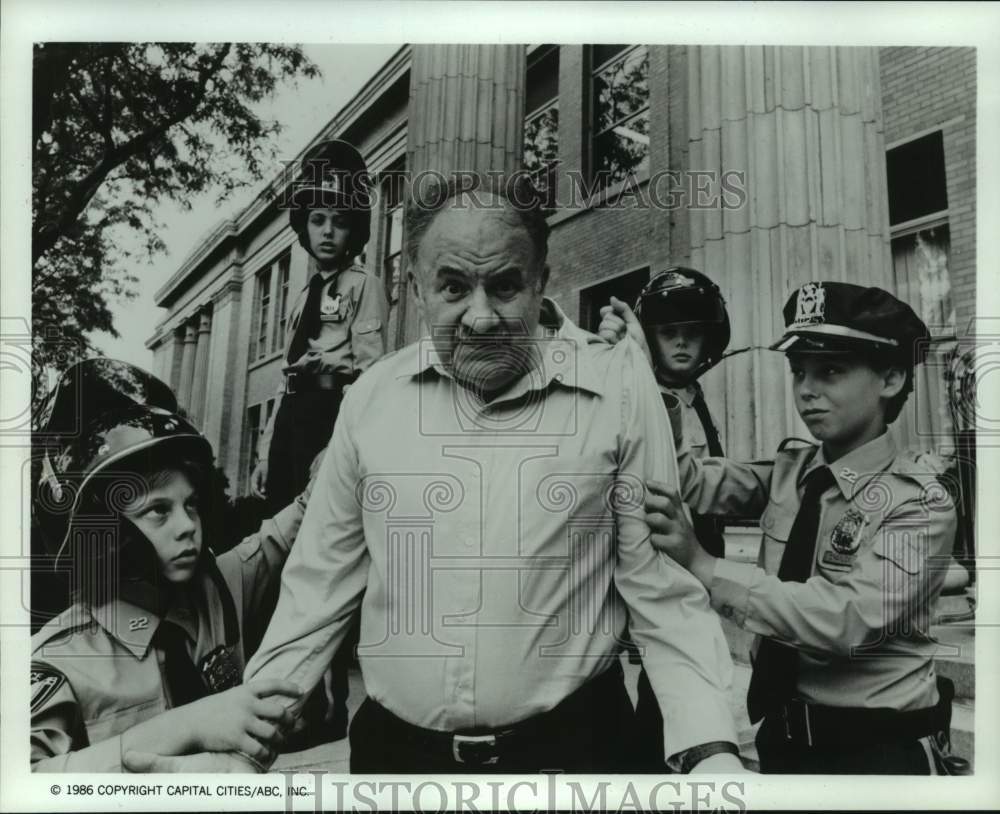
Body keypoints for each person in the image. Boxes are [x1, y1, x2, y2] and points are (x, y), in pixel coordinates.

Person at [131, 172, 744, 774]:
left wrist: (712, 755)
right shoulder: (371, 401)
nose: (480, 317)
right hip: (397, 764)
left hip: (574, 757)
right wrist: (246, 741)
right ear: (417, 289)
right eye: (453, 288)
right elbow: (316, 592)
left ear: (541, 283)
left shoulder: (619, 386)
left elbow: (663, 596)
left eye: (505, 287)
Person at [643, 282, 962, 774]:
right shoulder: (795, 471)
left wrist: (705, 567)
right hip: (784, 738)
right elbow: (689, 481)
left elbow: (846, 619)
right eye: (798, 372)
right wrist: (659, 382)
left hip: (874, 753)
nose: (807, 390)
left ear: (892, 378)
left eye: (830, 371)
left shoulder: (919, 499)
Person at [30, 359, 305, 772]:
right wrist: (185, 726)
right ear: (100, 532)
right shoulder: (61, 658)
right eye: (158, 510)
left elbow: (299, 523)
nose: (188, 526)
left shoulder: (219, 588)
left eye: (191, 504)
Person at [249, 138, 388, 740]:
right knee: (282, 565)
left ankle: (328, 703)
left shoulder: (365, 285)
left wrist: (334, 448)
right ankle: (289, 694)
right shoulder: (305, 295)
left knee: (321, 564)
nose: (328, 231)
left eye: (339, 220)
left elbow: (375, 373)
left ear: (356, 227)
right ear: (303, 227)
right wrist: (263, 455)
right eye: (317, 219)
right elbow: (286, 377)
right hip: (292, 424)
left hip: (332, 421)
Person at [598, 267, 732, 771]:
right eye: (668, 332)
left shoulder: (693, 398)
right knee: (654, 713)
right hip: (650, 575)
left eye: (692, 332)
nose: (681, 343)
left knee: (674, 704)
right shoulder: (638, 391)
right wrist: (618, 352)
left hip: (690, 565)